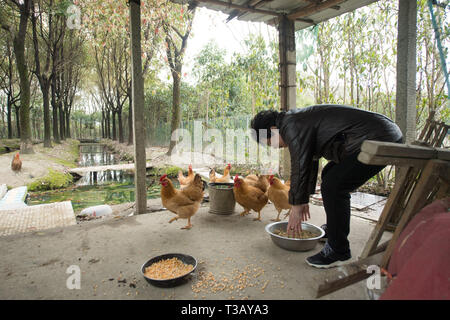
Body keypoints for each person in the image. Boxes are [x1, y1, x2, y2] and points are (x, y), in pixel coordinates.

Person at [251, 105, 403, 268]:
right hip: (382, 134)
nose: (273, 147)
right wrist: (304, 198)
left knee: (334, 186)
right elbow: (310, 160)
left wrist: (295, 207)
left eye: (269, 142)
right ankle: (333, 231)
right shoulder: (293, 121)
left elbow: (300, 164)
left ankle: (339, 250)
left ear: (273, 129)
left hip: (379, 138)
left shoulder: (291, 125)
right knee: (330, 174)